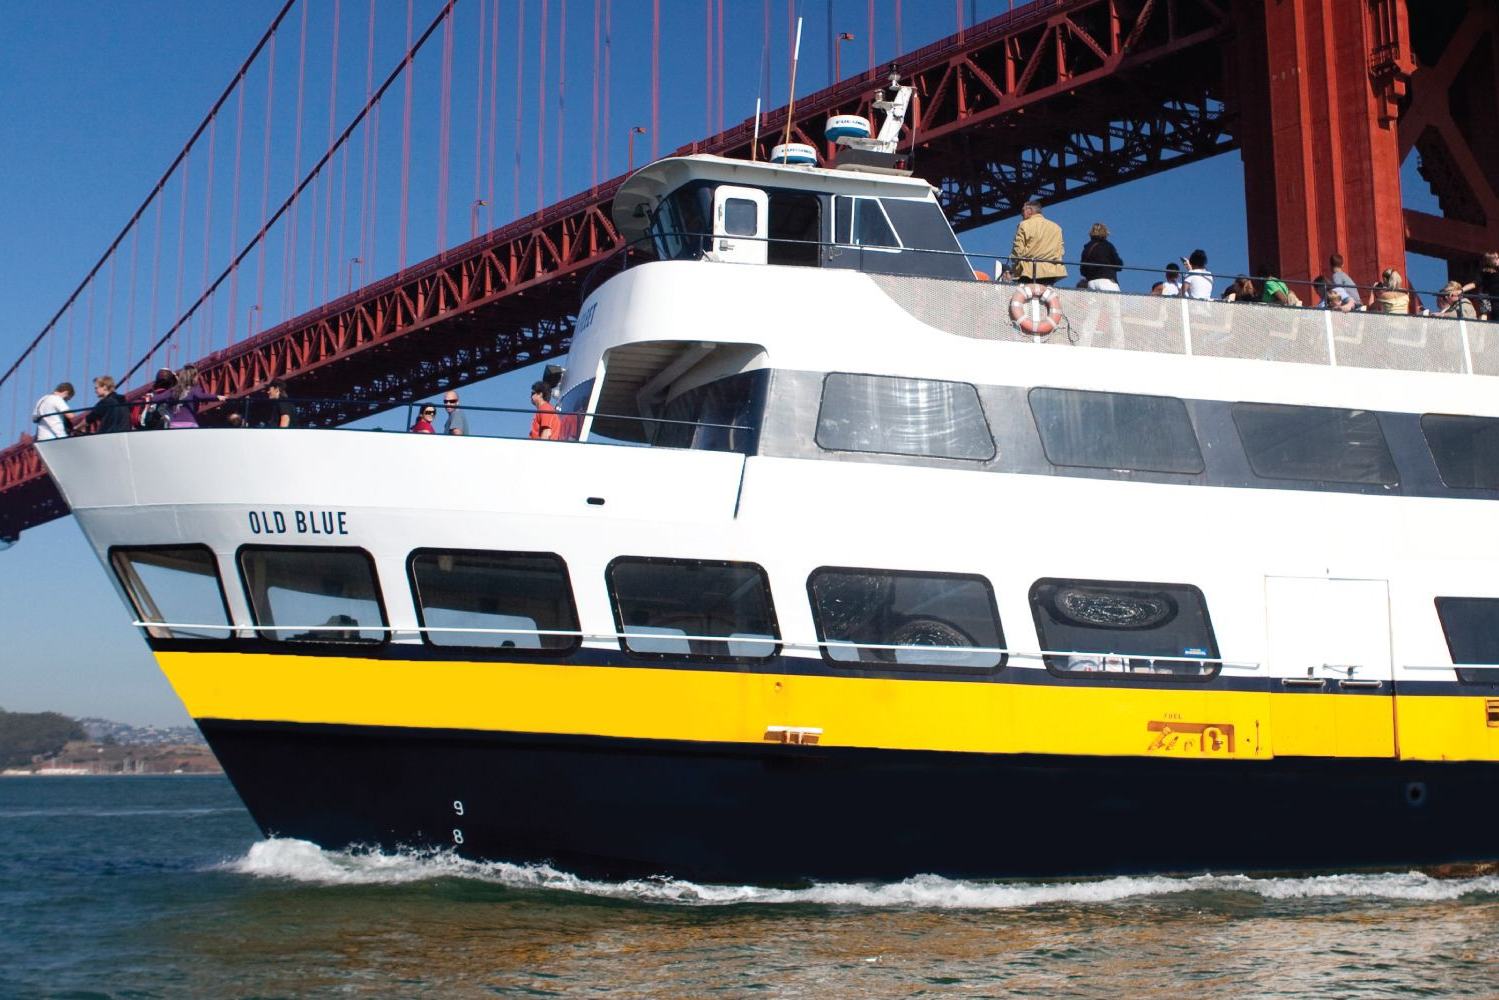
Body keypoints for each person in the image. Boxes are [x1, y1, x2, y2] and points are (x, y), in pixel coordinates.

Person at [1009, 200, 1066, 285]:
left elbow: (1018, 251)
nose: (1021, 214)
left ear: (1030, 211)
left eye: (1023, 210)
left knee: (1027, 296)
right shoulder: (1057, 228)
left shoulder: (1024, 225)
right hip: (1051, 272)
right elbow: (1060, 251)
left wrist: (1013, 262)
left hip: (1028, 271)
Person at [1078, 222, 1122, 292]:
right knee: (1114, 302)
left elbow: (1082, 270)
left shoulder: (1086, 249)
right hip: (1107, 281)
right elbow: (1119, 265)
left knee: (1098, 303)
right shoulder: (1108, 246)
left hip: (1091, 283)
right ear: (1105, 233)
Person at [1474, 251, 1498, 320]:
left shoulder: (1483, 272)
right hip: (1491, 299)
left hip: (1486, 297)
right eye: (1497, 258)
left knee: (1485, 314)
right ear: (1493, 260)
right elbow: (1475, 283)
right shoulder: (1486, 273)